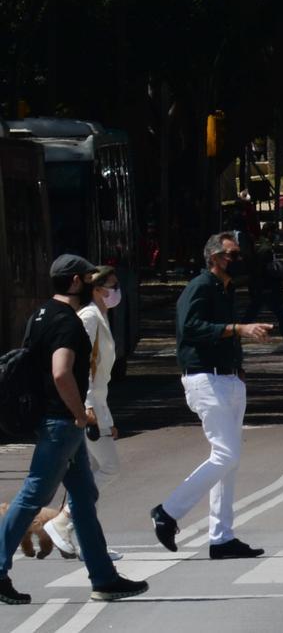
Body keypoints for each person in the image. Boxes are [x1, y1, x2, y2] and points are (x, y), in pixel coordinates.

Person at [0, 255, 148, 605]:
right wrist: (79, 414)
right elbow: (61, 372)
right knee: (34, 494)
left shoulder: (40, 314)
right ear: (77, 282)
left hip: (51, 419)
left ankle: (104, 578)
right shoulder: (68, 323)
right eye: (89, 278)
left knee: (83, 498)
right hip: (61, 422)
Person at [151, 233, 272, 560]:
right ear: (215, 257)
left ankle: (221, 537)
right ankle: (168, 512)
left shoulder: (225, 289)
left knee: (228, 464)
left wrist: (238, 365)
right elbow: (190, 327)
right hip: (205, 379)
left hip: (228, 378)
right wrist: (239, 330)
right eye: (232, 254)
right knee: (226, 455)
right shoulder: (200, 287)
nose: (239, 259)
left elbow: (220, 330)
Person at [45, 266, 125, 562]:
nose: (116, 292)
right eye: (112, 286)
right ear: (96, 289)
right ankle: (63, 521)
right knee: (108, 467)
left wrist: (109, 418)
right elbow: (83, 368)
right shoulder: (89, 317)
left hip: (99, 404)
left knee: (87, 475)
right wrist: (89, 407)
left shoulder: (101, 317)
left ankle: (85, 541)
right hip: (90, 405)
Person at [242, 222, 283, 353]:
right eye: (275, 232)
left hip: (261, 288)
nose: (277, 235)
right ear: (269, 233)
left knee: (250, 315)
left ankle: (230, 340)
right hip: (267, 288)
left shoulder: (262, 246)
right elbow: (270, 269)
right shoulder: (266, 249)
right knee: (281, 316)